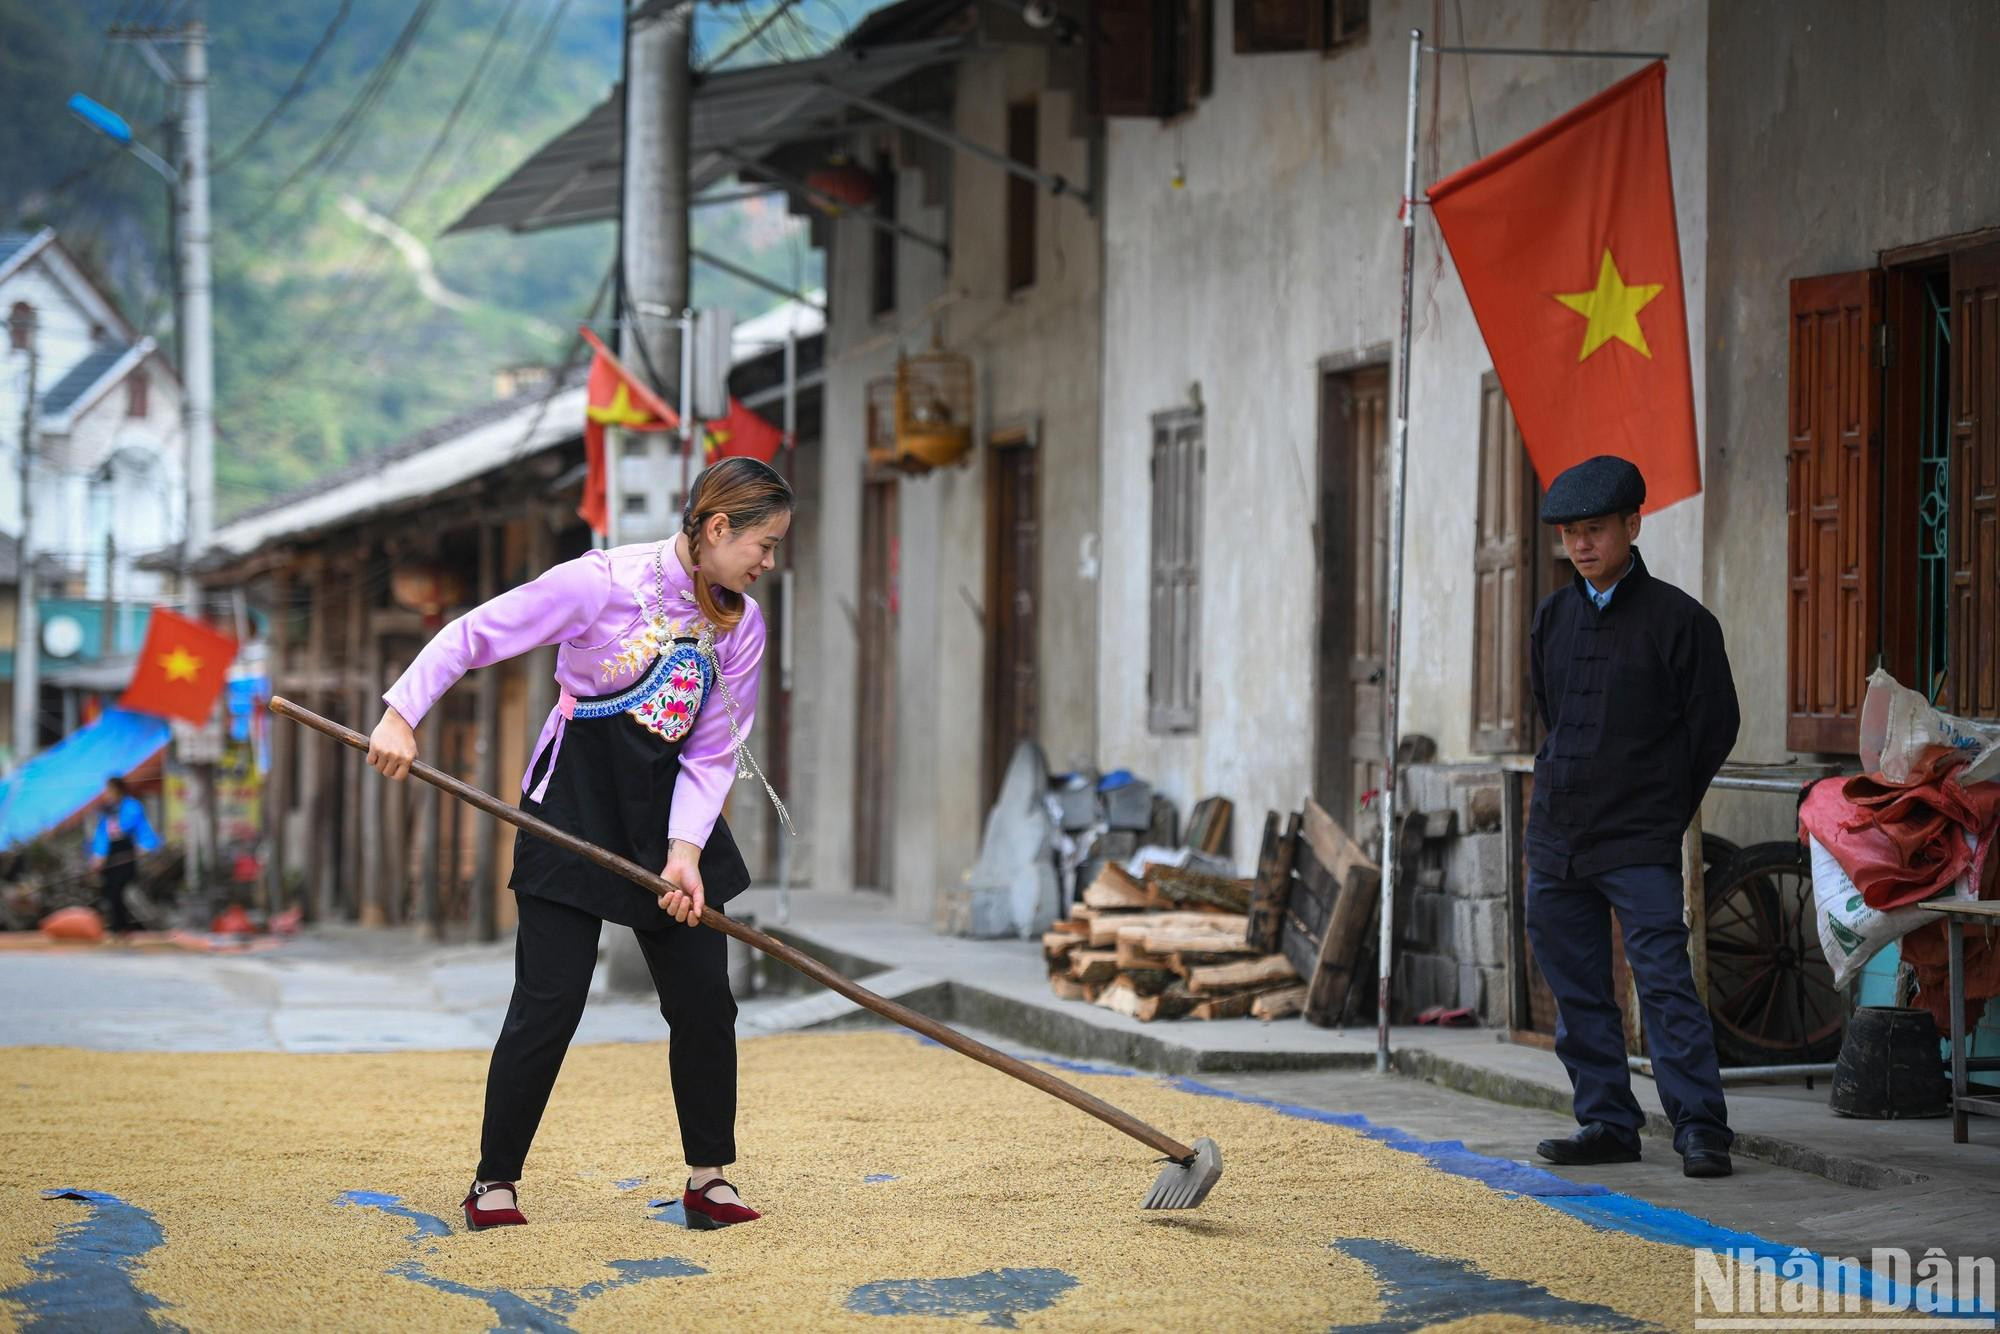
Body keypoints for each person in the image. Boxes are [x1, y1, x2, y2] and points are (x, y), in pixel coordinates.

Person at [366, 457, 793, 1232]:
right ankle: (494, 1183)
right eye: (762, 545)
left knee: (704, 1000)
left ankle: (709, 1178)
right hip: (572, 805)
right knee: (550, 1001)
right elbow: (471, 637)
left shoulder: (741, 625)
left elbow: (711, 751)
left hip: (669, 816)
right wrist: (402, 714)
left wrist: (686, 851)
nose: (768, 564)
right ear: (718, 527)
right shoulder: (600, 584)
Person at [1524, 455, 1740, 1180]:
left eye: (1595, 530)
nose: (1582, 545)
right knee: (1579, 985)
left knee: (1663, 980)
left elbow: (1714, 725)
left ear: (1631, 526)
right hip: (1557, 835)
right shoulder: (1552, 617)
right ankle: (1607, 1121)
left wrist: (1662, 811)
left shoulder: (1680, 621)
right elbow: (1551, 712)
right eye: (1571, 533)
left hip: (1638, 838)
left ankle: (1701, 1128)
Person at [90, 777, 160, 935]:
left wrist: (146, 845)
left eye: (108, 790)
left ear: (117, 790)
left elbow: (142, 828)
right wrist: (98, 855)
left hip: (126, 851)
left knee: (122, 889)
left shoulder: (132, 806)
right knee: (110, 891)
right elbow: (101, 835)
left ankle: (124, 926)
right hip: (111, 854)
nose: (106, 794)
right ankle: (116, 927)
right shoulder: (106, 811)